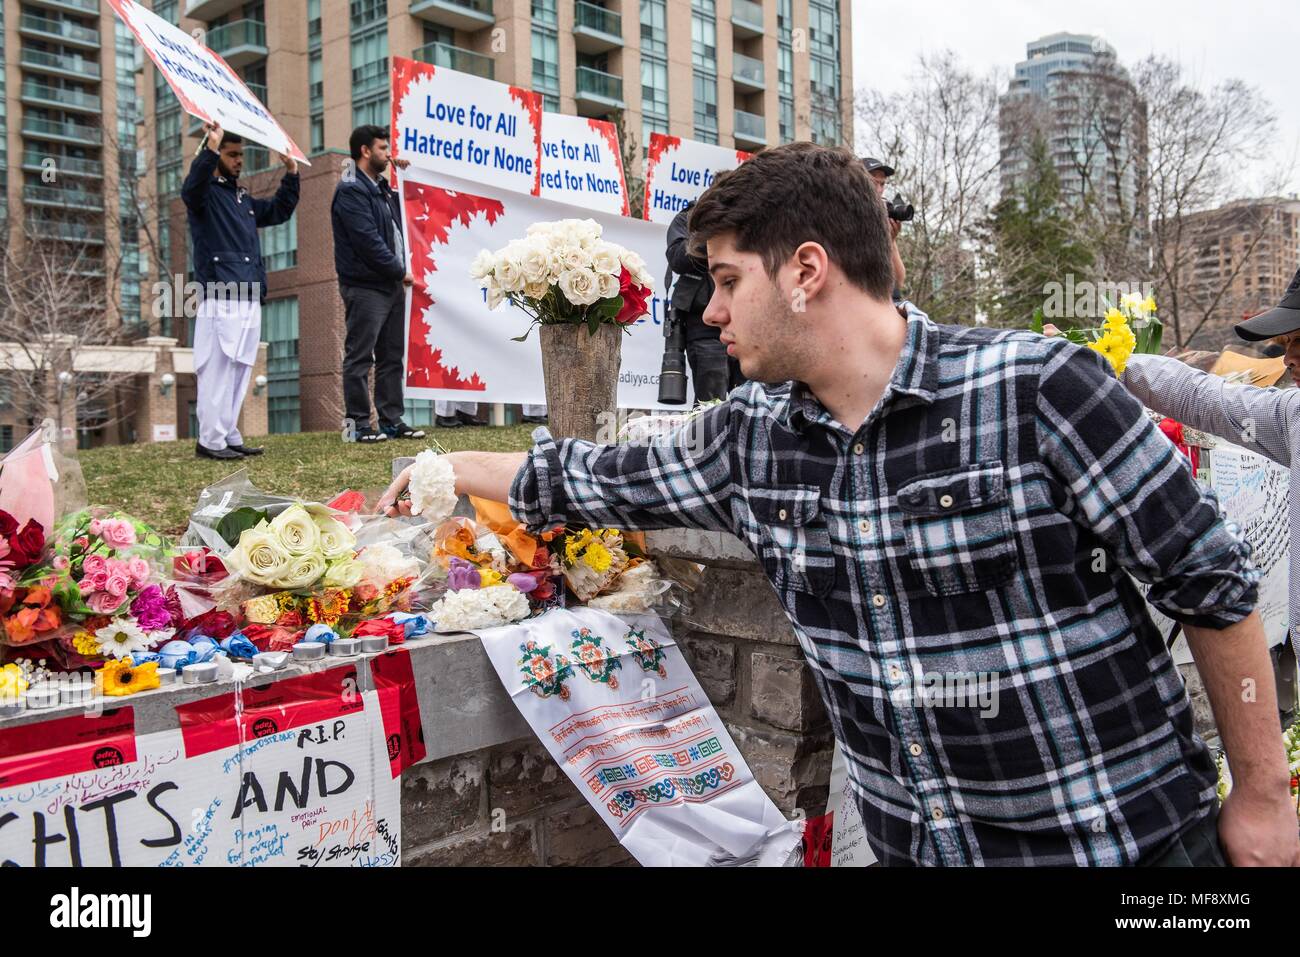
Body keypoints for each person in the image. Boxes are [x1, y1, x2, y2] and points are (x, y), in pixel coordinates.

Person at [380, 143, 1299, 867]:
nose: (710, 311)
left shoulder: (1039, 388)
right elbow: (592, 479)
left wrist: (1261, 797)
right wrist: (448, 462)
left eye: (729, 279)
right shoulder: (750, 440)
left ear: (806, 270)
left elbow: (1211, 583)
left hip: (1119, 846)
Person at [1119, 268, 1300, 724]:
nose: (1288, 358)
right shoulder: (1293, 416)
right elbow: (1205, 399)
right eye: (1287, 343)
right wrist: (1108, 359)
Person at [183, 124, 299, 460]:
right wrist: (209, 149)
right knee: (217, 368)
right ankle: (210, 440)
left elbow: (279, 211)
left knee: (239, 368)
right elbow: (190, 190)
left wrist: (290, 172)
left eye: (241, 156)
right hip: (221, 292)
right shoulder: (204, 195)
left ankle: (227, 434)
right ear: (216, 154)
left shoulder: (242, 198)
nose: (239, 161)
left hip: (248, 293)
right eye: (231, 155)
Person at [332, 125, 425, 444]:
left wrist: (401, 176)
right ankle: (358, 424)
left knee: (391, 356)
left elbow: (404, 217)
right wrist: (400, 270)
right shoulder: (351, 189)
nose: (389, 154)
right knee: (360, 356)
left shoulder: (381, 188)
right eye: (383, 149)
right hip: (366, 285)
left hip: (390, 284)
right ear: (365, 151)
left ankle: (391, 420)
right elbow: (367, 240)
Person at [666, 200, 744, 402]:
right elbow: (677, 258)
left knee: (751, 401)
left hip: (746, 327)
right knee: (710, 406)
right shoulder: (687, 218)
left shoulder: (745, 217)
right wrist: (714, 238)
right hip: (704, 330)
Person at [862, 157, 907, 300]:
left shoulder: (882, 218)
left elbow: (899, 281)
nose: (879, 190)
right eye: (873, 183)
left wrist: (890, 241)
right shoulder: (844, 217)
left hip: (886, 303)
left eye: (882, 184)